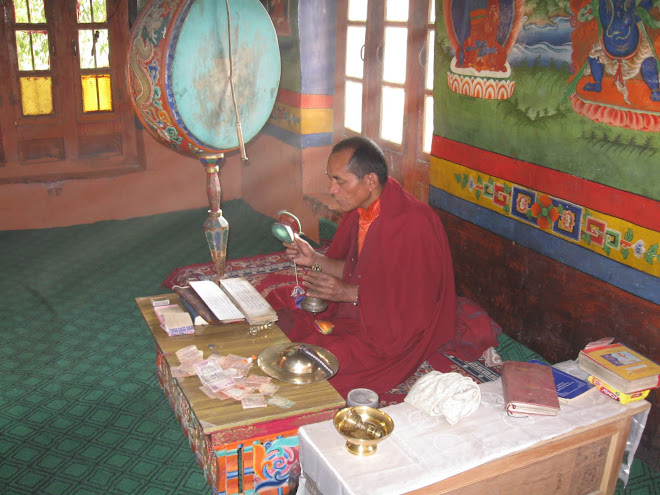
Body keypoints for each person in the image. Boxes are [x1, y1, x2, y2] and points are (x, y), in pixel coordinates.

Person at [269, 136, 457, 398]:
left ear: (370, 181)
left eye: (339, 181)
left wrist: (349, 294)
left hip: (395, 332)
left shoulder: (413, 225)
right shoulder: (363, 210)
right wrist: (314, 259)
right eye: (330, 178)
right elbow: (356, 271)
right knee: (277, 306)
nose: (331, 189)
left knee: (323, 362)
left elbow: (414, 306)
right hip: (362, 311)